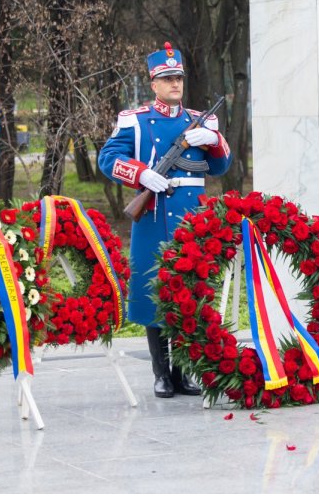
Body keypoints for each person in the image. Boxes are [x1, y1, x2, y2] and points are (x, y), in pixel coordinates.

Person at [98, 42, 232, 398]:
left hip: (192, 222)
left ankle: (183, 372)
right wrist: (141, 175)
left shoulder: (202, 121)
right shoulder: (136, 120)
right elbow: (108, 158)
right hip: (155, 218)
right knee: (154, 295)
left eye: (179, 78)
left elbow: (220, 167)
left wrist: (215, 141)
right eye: (167, 79)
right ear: (154, 84)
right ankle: (161, 374)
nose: (175, 84)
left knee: (190, 296)